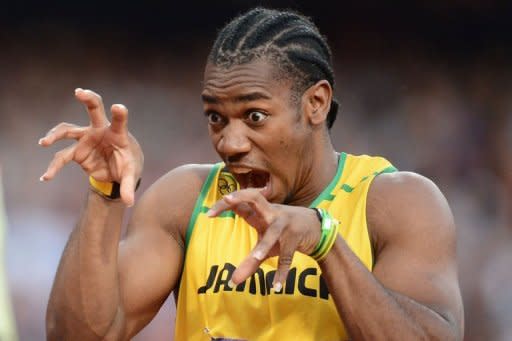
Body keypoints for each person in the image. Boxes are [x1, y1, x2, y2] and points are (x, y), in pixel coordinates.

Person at [41, 7, 464, 341]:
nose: (230, 142)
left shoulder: (395, 203)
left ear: (315, 103)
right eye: (215, 117)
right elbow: (76, 335)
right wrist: (106, 192)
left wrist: (326, 243)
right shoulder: (187, 200)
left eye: (255, 116)